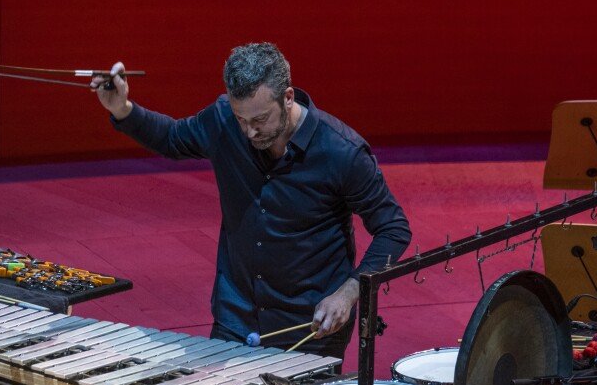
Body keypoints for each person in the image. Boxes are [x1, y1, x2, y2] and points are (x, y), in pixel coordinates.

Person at [92, 42, 410, 360]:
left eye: (259, 120)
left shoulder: (342, 152)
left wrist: (350, 292)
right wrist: (122, 109)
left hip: (310, 327)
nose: (249, 133)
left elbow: (393, 228)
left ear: (287, 97)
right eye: (241, 119)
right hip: (235, 319)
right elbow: (174, 138)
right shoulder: (223, 120)